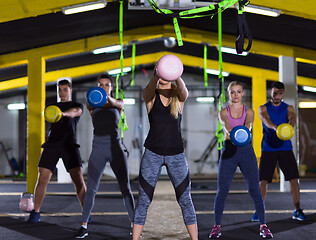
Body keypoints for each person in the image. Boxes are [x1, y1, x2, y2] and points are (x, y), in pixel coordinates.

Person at [132, 66, 198, 240]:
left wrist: (176, 73)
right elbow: (146, 91)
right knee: (143, 201)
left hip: (176, 154)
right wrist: (156, 74)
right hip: (152, 154)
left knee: (185, 200)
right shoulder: (151, 96)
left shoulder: (178, 97)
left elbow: (184, 91)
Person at [209, 81, 273, 239]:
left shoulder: (249, 111)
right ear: (228, 94)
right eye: (232, 92)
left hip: (245, 151)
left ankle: (263, 225)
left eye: (238, 92)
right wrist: (234, 132)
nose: (235, 95)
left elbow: (249, 125)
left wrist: (243, 132)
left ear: (243, 93)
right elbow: (226, 127)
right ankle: (216, 226)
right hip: (229, 150)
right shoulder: (223, 112)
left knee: (254, 190)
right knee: (222, 191)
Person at [74, 74, 135, 238]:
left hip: (116, 149)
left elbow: (117, 103)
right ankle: (84, 225)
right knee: (91, 189)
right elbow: (90, 102)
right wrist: (100, 96)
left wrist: (105, 96)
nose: (103, 87)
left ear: (111, 87)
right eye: (100, 85)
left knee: (125, 188)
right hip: (98, 150)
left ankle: (134, 224)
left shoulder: (118, 103)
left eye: (106, 85)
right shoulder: (91, 104)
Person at [27, 79, 86, 223]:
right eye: (60, 89)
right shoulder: (51, 106)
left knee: (78, 179)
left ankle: (86, 212)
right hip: (52, 145)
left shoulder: (76, 105)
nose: (62, 92)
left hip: (69, 145)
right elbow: (46, 113)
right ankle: (36, 212)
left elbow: (76, 112)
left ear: (70, 90)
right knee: (42, 179)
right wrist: (55, 112)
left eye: (65, 89)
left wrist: (63, 114)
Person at [251, 81, 306, 222]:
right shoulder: (263, 107)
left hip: (285, 148)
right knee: (263, 181)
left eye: (279, 93)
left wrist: (289, 126)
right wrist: (277, 129)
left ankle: (297, 210)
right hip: (268, 149)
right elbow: (265, 119)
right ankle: (259, 211)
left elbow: (293, 118)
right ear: (271, 92)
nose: (276, 95)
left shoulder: (288, 108)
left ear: (283, 93)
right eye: (274, 93)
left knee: (294, 180)